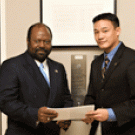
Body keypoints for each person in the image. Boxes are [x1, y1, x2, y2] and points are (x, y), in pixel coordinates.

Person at [0, 23, 73, 135]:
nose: (42, 45)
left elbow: (66, 98)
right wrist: (35, 114)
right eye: (37, 41)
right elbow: (5, 102)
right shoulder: (12, 65)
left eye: (47, 41)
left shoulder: (58, 68)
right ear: (28, 41)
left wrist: (66, 117)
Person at [82, 13, 135, 135]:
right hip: (98, 130)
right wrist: (87, 111)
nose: (100, 36)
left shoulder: (131, 58)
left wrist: (111, 113)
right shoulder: (96, 63)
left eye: (105, 31)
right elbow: (91, 95)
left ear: (117, 31)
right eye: (96, 32)